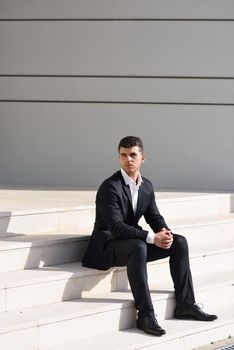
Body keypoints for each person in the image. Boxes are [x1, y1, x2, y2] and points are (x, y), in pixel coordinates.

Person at [82, 136, 217, 336]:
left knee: (179, 242)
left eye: (133, 155)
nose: (128, 159)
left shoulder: (146, 186)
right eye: (123, 155)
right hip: (108, 247)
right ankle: (145, 315)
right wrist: (153, 238)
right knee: (139, 246)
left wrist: (164, 232)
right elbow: (117, 227)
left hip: (134, 243)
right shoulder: (110, 187)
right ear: (119, 158)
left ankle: (185, 305)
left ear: (142, 158)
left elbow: (154, 216)